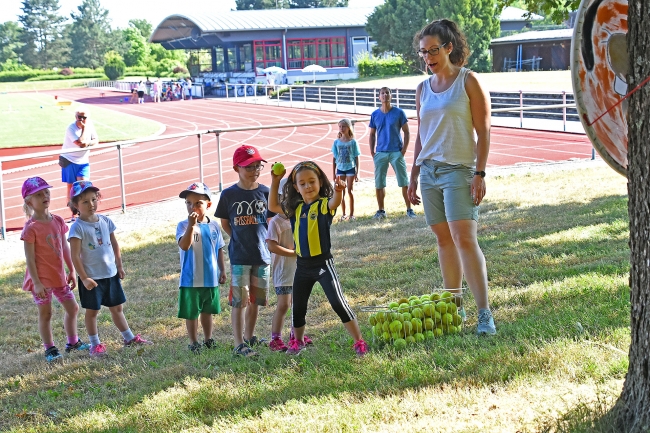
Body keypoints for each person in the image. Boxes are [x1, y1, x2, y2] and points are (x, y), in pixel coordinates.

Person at [407, 19, 496, 335]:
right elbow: (422, 133)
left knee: (464, 238)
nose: (428, 57)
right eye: (423, 52)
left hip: (459, 170)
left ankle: (484, 314)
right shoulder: (422, 89)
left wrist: (480, 173)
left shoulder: (468, 81)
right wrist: (414, 174)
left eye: (433, 50)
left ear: (449, 47)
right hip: (429, 171)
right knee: (444, 240)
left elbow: (483, 131)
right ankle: (453, 309)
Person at [268, 161, 368, 357]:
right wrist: (275, 181)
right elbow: (272, 205)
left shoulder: (323, 205)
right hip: (302, 267)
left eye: (312, 181)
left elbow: (334, 203)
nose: (308, 186)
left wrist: (339, 191)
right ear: (296, 187)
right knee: (298, 308)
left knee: (338, 303)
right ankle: (297, 342)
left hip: (323, 265)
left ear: (320, 182)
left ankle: (359, 341)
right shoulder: (295, 210)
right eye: (302, 183)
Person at [68, 181, 152, 357]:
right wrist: (83, 278)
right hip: (92, 279)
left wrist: (119, 266)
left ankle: (128, 338)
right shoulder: (78, 228)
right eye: (85, 202)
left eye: (93, 199)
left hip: (110, 274)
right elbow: (75, 256)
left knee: (117, 308)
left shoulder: (106, 221)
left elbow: (114, 244)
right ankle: (95, 344)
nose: (91, 204)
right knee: (92, 312)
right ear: (75, 205)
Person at [20, 177, 90, 362]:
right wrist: (36, 282)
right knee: (46, 313)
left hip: (59, 277)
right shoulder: (31, 228)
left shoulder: (58, 221)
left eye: (46, 192)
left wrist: (72, 270)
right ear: (29, 201)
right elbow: (30, 258)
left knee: (73, 308)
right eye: (39, 194)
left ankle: (72, 342)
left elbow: (65, 248)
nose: (45, 196)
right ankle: (50, 348)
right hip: (41, 280)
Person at [214, 145, 273, 358]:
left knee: (256, 300)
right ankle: (239, 343)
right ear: (236, 168)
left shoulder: (266, 192)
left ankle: (250, 336)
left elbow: (271, 221)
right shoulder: (229, 194)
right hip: (240, 256)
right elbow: (225, 222)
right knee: (240, 301)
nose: (254, 170)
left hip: (262, 255)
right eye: (249, 166)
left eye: (258, 166)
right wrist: (237, 238)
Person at [176, 182, 227, 353]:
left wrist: (222, 270)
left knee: (207, 311)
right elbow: (184, 245)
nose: (193, 207)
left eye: (198, 203)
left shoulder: (214, 226)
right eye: (189, 203)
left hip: (210, 278)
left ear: (208, 205)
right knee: (191, 312)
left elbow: (219, 248)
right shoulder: (183, 225)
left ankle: (208, 338)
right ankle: (193, 341)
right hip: (191, 279)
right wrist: (191, 226)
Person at [265, 179, 313, 351]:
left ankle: (296, 334)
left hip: (299, 271)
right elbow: (271, 245)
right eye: (286, 199)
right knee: (284, 305)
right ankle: (275, 338)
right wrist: (293, 253)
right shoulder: (276, 222)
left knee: (298, 305)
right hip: (283, 272)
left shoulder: (300, 218)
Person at [369, 87, 415, 220]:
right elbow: (372, 134)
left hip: (396, 152)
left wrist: (404, 149)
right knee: (379, 183)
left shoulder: (399, 113)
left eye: (387, 93)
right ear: (379, 97)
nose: (385, 95)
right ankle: (381, 210)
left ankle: (409, 209)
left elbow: (406, 131)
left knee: (404, 181)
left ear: (391, 95)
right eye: (382, 93)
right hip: (380, 153)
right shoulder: (375, 114)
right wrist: (372, 151)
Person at [60, 109, 98, 221]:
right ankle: (74, 213)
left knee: (84, 186)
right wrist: (84, 128)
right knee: (71, 187)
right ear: (75, 117)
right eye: (79, 117)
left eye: (84, 117)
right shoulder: (71, 128)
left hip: (83, 161)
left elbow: (96, 140)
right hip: (69, 159)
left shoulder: (90, 125)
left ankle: (85, 212)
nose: (81, 120)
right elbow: (80, 143)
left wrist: (89, 143)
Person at [331, 118, 361, 221]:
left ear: (349, 128)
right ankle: (344, 213)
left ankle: (352, 214)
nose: (341, 128)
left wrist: (357, 171)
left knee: (350, 190)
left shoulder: (353, 142)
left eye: (343, 126)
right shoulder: (336, 142)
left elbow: (357, 157)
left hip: (350, 168)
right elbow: (334, 158)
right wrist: (334, 172)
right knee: (341, 191)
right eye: (340, 127)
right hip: (340, 168)